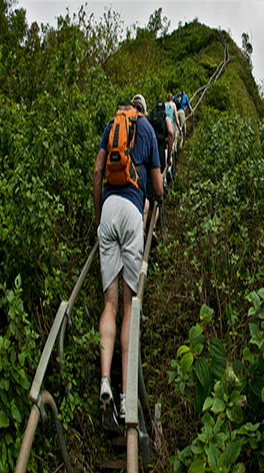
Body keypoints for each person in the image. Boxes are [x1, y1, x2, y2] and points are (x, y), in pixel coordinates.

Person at [92, 94, 163, 431]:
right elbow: (158, 186)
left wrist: (98, 216)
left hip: (108, 211)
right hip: (134, 213)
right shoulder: (148, 129)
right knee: (130, 304)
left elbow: (96, 171)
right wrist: (156, 198)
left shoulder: (112, 125)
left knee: (109, 303)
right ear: (144, 111)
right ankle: (124, 397)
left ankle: (104, 380)